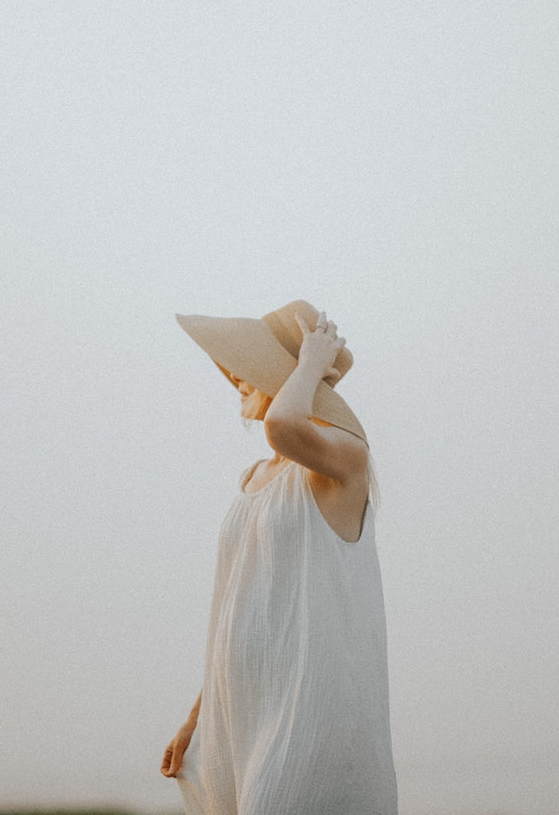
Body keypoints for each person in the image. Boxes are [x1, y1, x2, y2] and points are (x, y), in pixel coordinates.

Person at [161, 300, 398, 815]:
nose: (235, 378)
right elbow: (240, 605)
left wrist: (312, 363)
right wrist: (197, 718)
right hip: (240, 708)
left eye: (249, 367)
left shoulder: (343, 461)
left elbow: (285, 427)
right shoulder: (253, 477)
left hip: (307, 704)